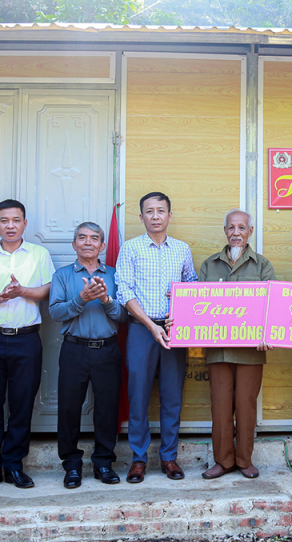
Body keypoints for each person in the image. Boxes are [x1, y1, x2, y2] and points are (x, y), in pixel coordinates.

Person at [0, 199, 54, 492]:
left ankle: (14, 465)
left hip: (26, 339)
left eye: (16, 220)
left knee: (21, 405)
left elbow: (48, 291)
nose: (10, 226)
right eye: (4, 220)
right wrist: (3, 296)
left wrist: (22, 291)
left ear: (25, 224)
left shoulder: (39, 255)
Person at [115, 192, 197, 483]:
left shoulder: (182, 249)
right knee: (138, 396)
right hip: (141, 329)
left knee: (172, 397)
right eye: (149, 211)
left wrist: (181, 308)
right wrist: (150, 325)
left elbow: (192, 284)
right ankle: (138, 459)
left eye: (161, 210)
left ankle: (169, 457)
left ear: (169, 215)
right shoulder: (131, 248)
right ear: (141, 217)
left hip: (174, 331)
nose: (155, 216)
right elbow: (124, 290)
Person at [198, 209, 276, 480]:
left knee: (245, 406)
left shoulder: (262, 265)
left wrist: (268, 335)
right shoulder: (209, 265)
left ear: (250, 232)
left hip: (250, 351)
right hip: (217, 350)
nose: (236, 233)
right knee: (220, 406)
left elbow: (272, 306)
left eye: (242, 228)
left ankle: (244, 460)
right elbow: (197, 305)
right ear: (225, 231)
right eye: (231, 227)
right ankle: (223, 461)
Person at [49, 222, 128, 489]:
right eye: (82, 238)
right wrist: (81, 298)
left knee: (107, 409)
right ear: (74, 244)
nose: (88, 242)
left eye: (94, 238)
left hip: (107, 350)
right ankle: (71, 465)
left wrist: (106, 300)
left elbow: (124, 315)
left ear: (102, 246)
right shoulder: (62, 275)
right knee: (69, 409)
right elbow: (55, 312)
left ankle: (103, 462)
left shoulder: (115, 275)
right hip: (74, 349)